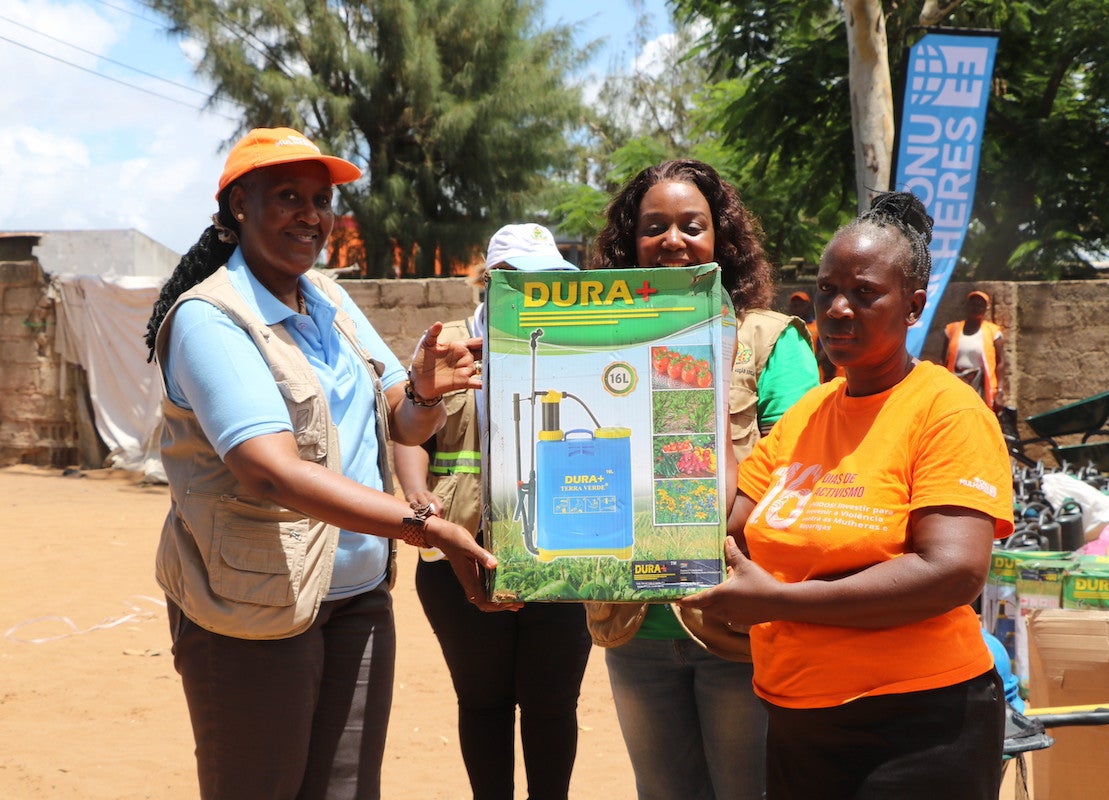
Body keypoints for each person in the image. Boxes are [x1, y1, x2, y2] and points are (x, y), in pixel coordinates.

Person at [143, 126, 506, 800]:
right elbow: (269, 471)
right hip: (255, 610)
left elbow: (402, 417)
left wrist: (426, 392)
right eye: (288, 196)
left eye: (321, 199)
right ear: (237, 207)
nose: (312, 215)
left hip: (358, 599)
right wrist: (429, 528)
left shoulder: (330, 300)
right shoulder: (211, 320)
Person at [678, 191, 1014, 800]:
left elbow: (953, 571)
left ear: (913, 307)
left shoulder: (945, 411)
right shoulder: (809, 413)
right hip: (798, 719)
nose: (837, 308)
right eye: (828, 289)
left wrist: (783, 600)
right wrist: (705, 397)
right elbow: (725, 525)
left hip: (918, 726)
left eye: (864, 293)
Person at [586, 159, 821, 800]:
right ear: (628, 245)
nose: (673, 241)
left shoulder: (771, 343)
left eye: (692, 225)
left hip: (737, 625)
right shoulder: (594, 346)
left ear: (723, 240)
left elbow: (797, 478)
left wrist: (699, 502)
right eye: (653, 226)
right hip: (633, 623)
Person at [392, 223, 593, 800]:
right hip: (460, 551)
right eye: (521, 283)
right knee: (482, 701)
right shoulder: (446, 346)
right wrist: (417, 499)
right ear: (493, 283)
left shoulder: (572, 342)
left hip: (560, 551)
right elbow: (409, 435)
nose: (535, 295)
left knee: (553, 703)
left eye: (548, 283)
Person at [942, 289, 1005, 410]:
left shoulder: (993, 332)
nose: (976, 308)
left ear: (986, 308)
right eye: (973, 304)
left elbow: (1001, 362)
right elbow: (943, 360)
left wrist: (1000, 390)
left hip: (981, 384)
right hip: (956, 381)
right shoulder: (952, 329)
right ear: (967, 306)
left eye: (980, 305)